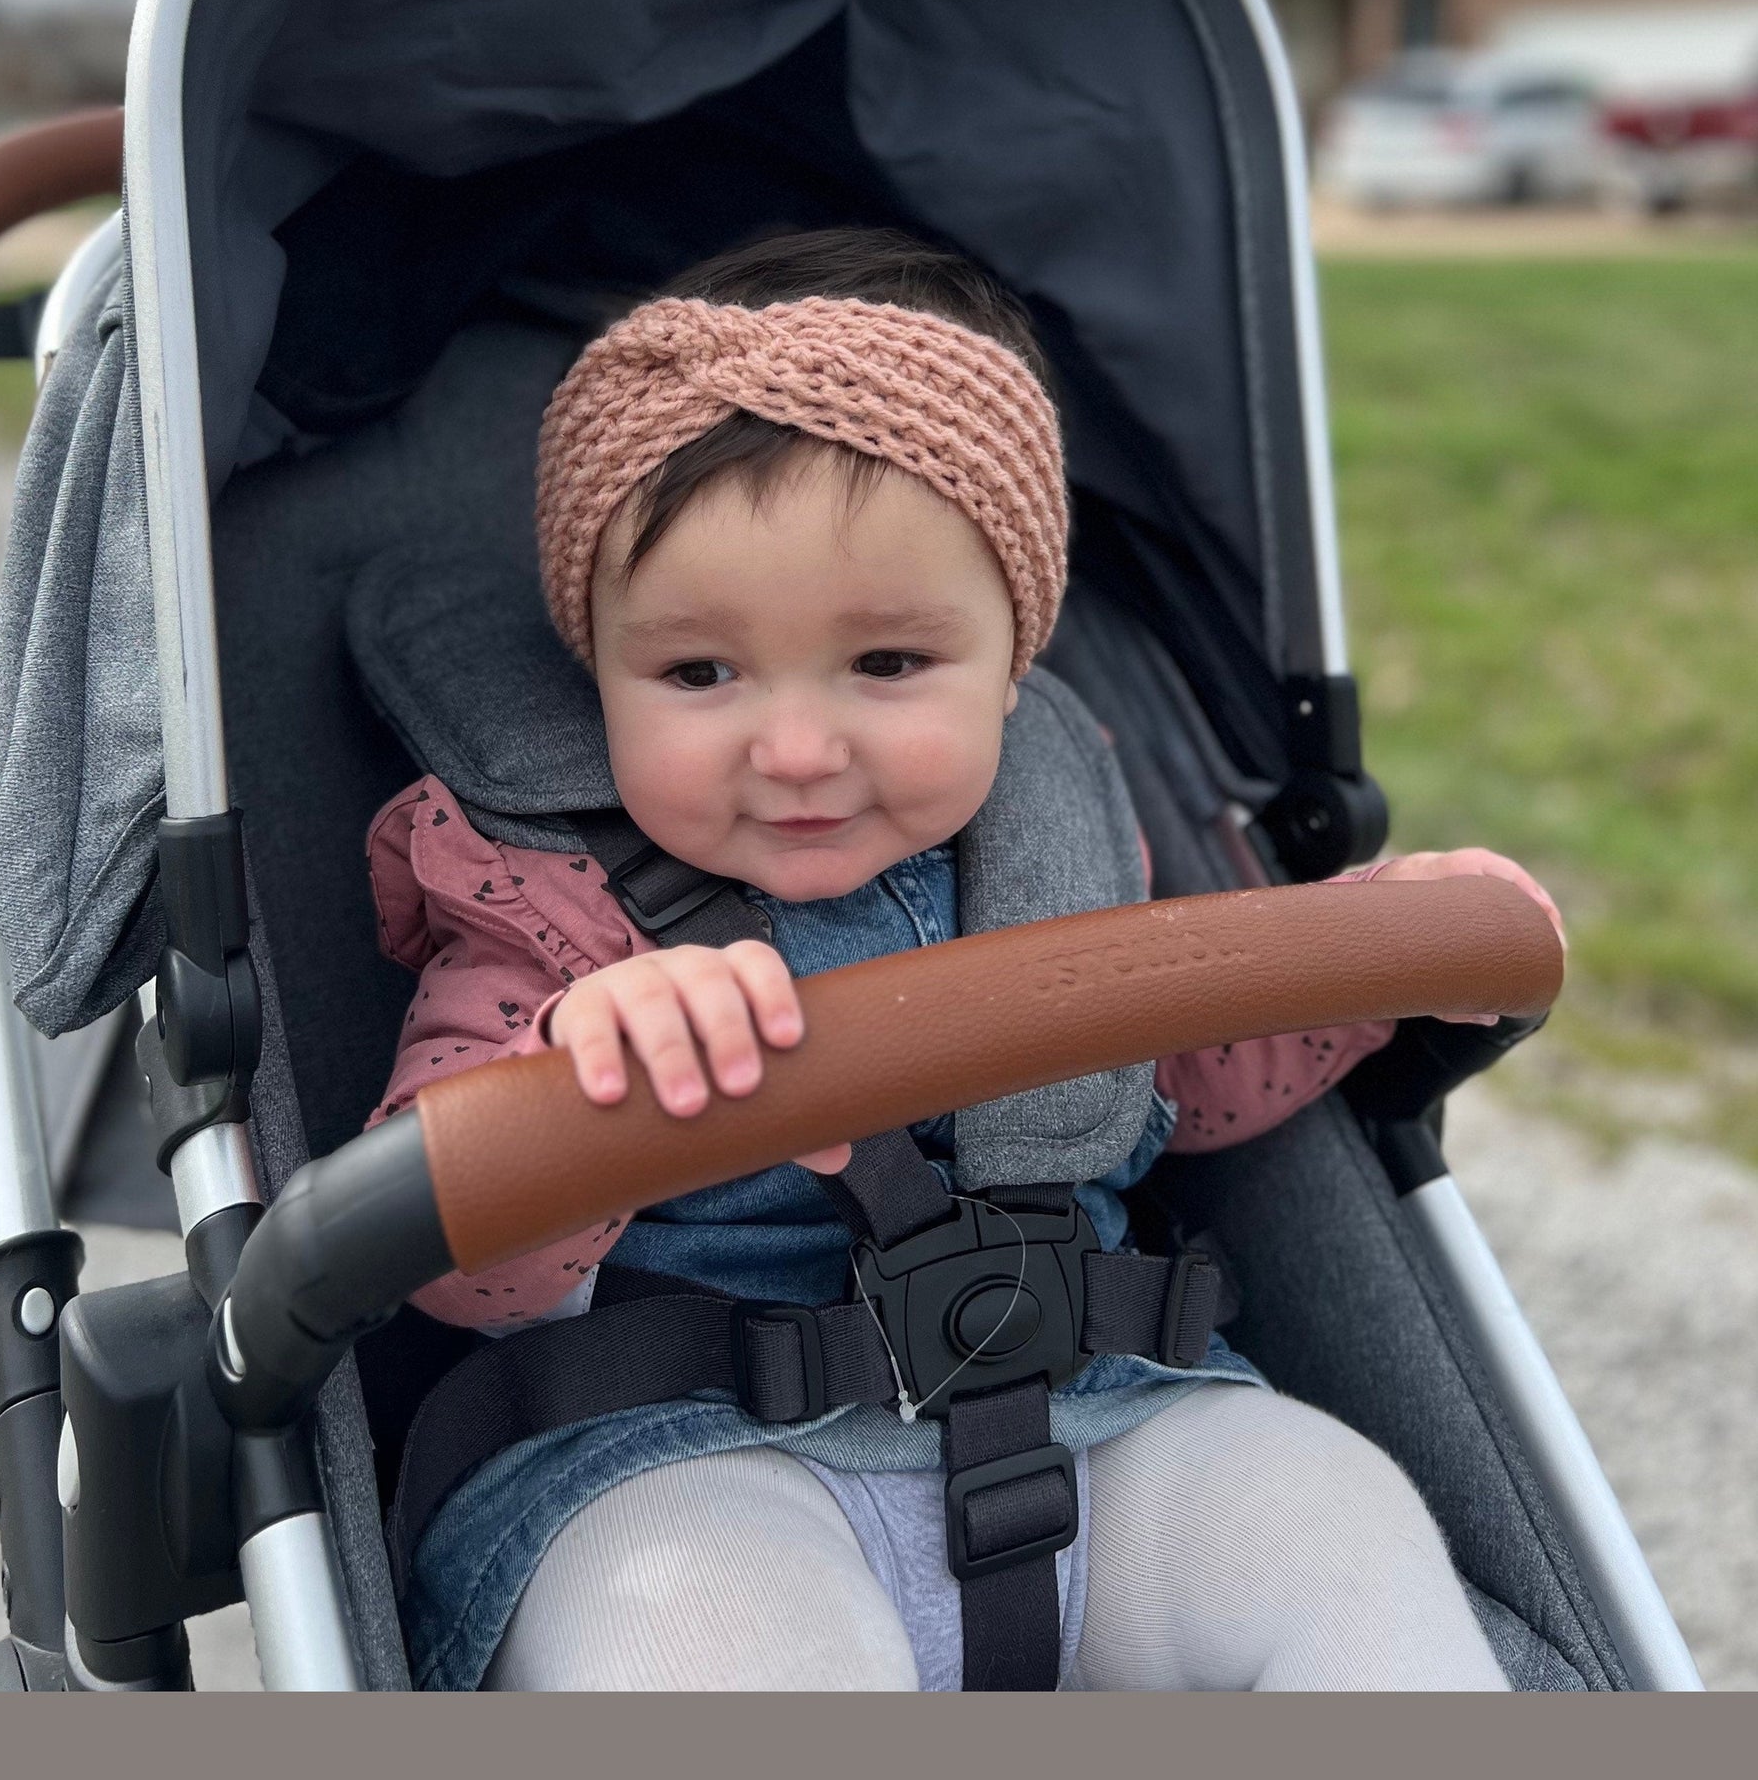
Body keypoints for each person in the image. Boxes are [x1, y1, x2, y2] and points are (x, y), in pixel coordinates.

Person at [364, 228, 1562, 1691]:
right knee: (690, 1635)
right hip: (680, 1460)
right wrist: (580, 1075)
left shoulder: (1055, 834)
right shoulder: (541, 892)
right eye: (695, 673)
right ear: (593, 658)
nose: (795, 749)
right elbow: (440, 1270)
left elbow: (1184, 1075)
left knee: (1332, 1510)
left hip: (1105, 1422)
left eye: (884, 666)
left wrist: (1372, 959)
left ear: (1013, 655)